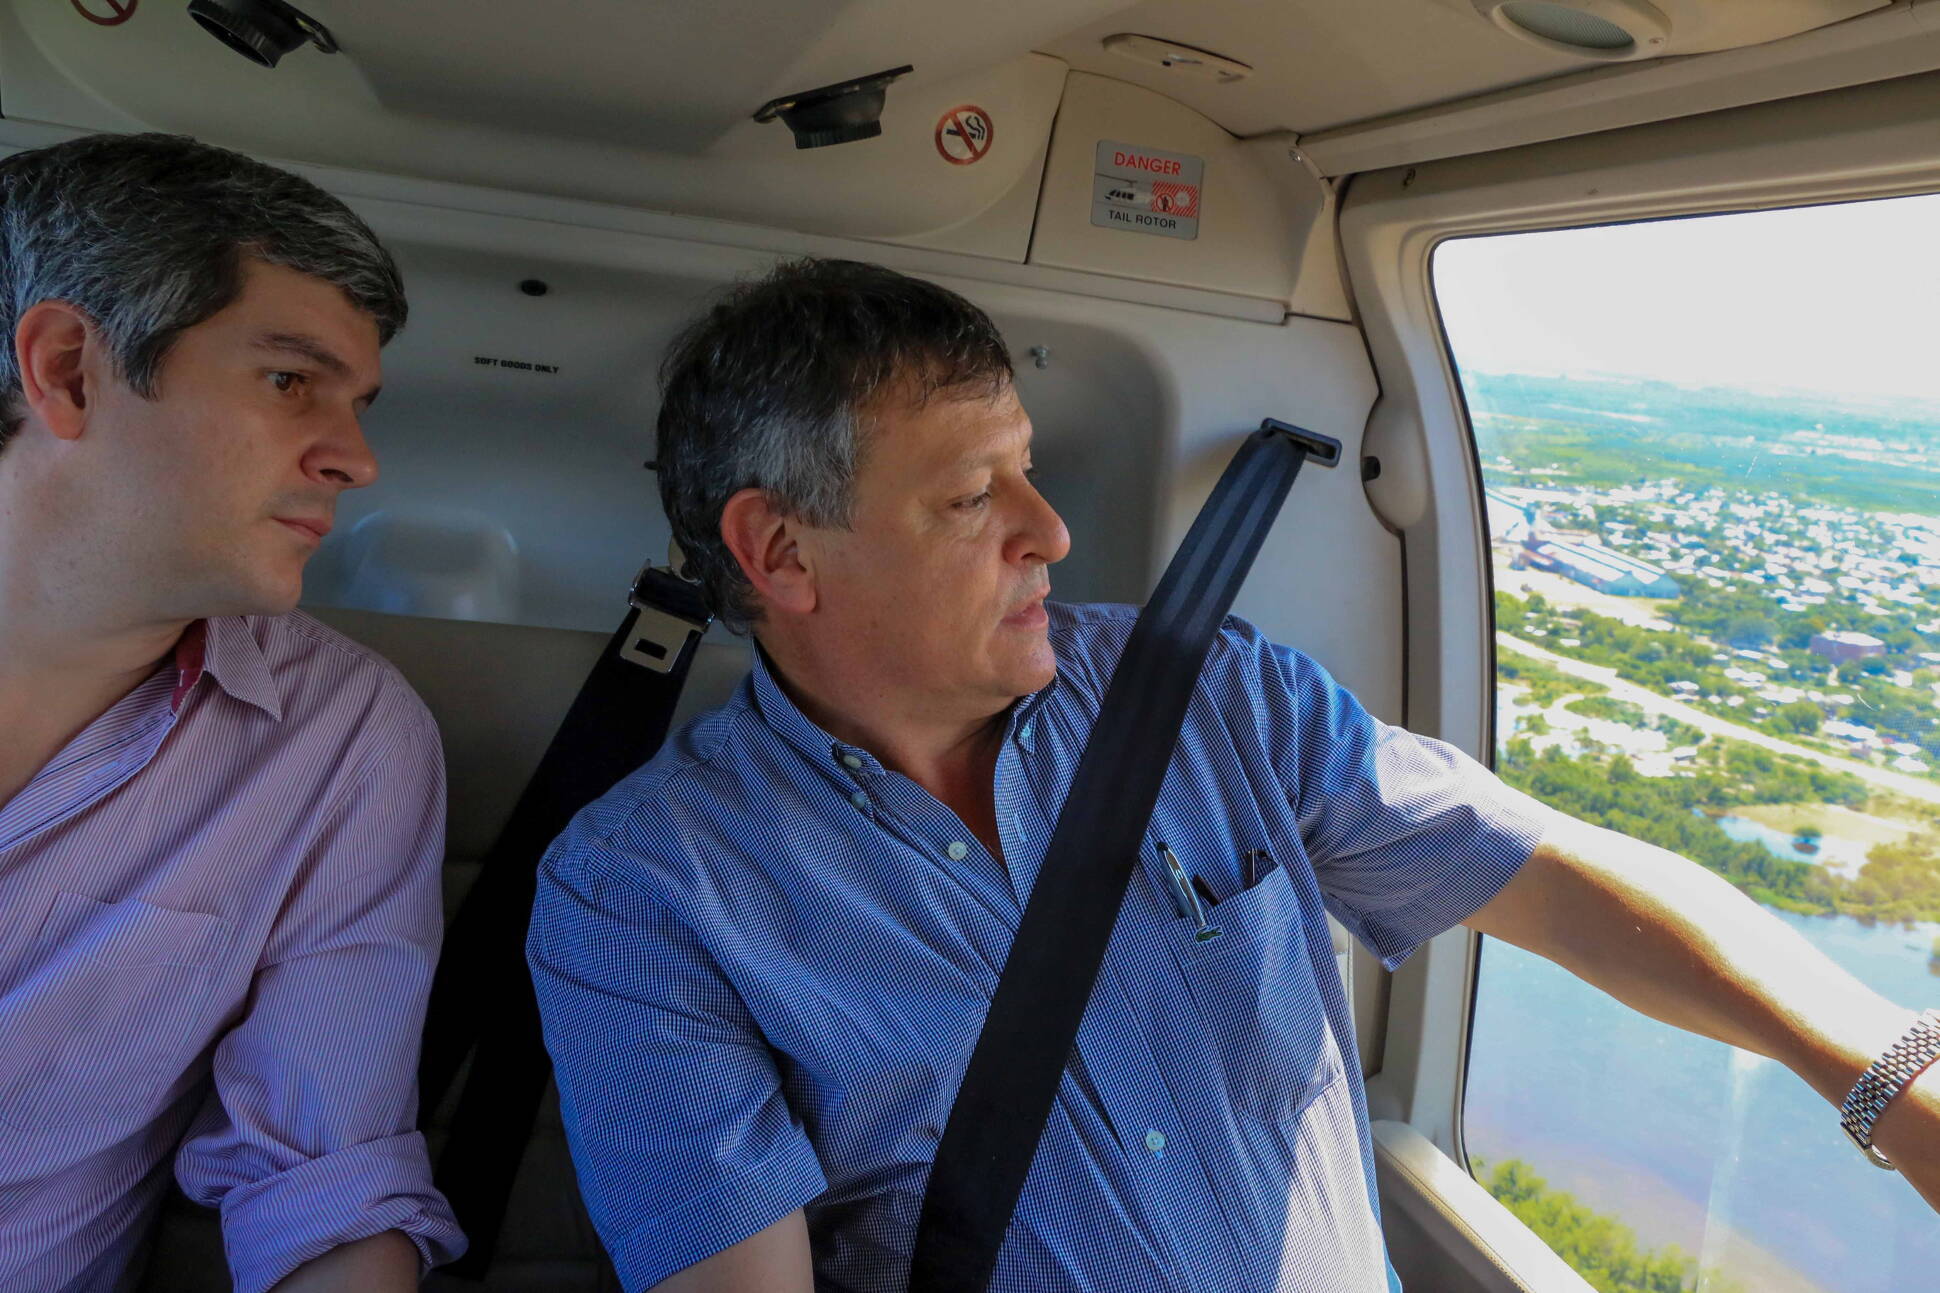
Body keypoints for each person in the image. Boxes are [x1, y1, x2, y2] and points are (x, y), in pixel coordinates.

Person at [528, 257, 1940, 1291]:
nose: (1052, 532)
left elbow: (1549, 877)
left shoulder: (1205, 690)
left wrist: (1887, 1076)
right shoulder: (639, 894)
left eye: (1029, 470)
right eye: (973, 498)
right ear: (778, 553)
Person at [0, 134, 463, 1291]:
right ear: (68, 370)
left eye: (358, 403)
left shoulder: (343, 741)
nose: (356, 459)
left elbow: (322, 1189)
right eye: (288, 380)